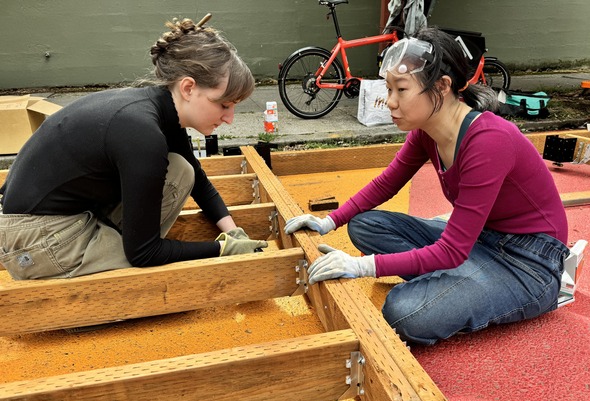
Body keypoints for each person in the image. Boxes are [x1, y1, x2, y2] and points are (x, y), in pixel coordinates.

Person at [284, 27, 569, 345]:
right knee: (365, 226)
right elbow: (386, 183)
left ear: (442, 87)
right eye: (388, 89)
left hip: (528, 263)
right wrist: (329, 221)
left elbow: (451, 250)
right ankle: (454, 280)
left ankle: (465, 285)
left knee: (404, 311)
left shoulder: (489, 141)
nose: (389, 102)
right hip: (479, 242)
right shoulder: (426, 130)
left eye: (401, 90)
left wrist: (362, 265)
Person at [0, 17, 267, 280]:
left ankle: (103, 246)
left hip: (64, 217)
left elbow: (198, 181)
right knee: (155, 274)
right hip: (34, 239)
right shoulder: (142, 134)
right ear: (188, 88)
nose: (230, 118)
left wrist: (233, 231)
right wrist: (222, 249)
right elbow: (144, 252)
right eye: (224, 105)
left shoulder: (159, 108)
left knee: (182, 171)